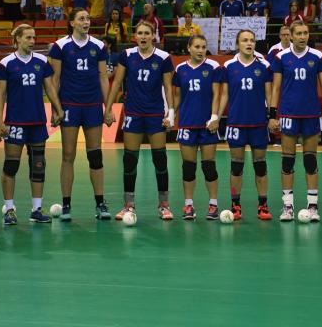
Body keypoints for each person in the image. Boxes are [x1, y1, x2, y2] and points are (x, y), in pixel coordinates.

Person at [104, 21, 175, 220]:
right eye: (140, 33)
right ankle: (129, 205)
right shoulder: (126, 56)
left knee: (160, 159)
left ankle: (164, 205)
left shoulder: (163, 58)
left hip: (155, 114)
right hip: (133, 113)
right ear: (135, 36)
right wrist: (108, 109)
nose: (143, 37)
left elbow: (168, 87)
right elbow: (117, 82)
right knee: (129, 160)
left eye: (147, 33)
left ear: (154, 36)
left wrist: (170, 114)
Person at [0, 24, 64, 226]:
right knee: (11, 165)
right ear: (17, 39)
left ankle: (36, 209)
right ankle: (9, 209)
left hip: (37, 122)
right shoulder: (6, 63)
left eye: (34, 37)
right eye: (28, 38)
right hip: (15, 122)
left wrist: (58, 109)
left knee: (38, 166)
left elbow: (50, 88)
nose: (33, 41)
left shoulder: (42, 62)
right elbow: (0, 94)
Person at [47, 9, 112, 221]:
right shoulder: (60, 46)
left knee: (96, 155)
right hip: (69, 105)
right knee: (68, 155)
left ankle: (100, 203)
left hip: (92, 105)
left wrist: (108, 107)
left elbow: (103, 77)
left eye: (88, 18)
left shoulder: (99, 46)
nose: (86, 22)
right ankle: (66, 204)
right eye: (81, 19)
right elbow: (54, 80)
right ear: (72, 23)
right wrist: (55, 108)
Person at [269, 21, 322, 221]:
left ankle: (313, 206)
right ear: (290, 35)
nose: (302, 36)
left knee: (310, 160)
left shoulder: (317, 56)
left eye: (305, 33)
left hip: (311, 113)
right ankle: (287, 206)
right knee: (288, 161)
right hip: (288, 113)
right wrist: (272, 115)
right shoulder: (281, 57)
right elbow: (276, 88)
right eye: (298, 33)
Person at [219, 29, 274, 220]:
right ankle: (235, 205)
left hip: (258, 123)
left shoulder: (264, 66)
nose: (249, 43)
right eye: (245, 40)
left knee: (260, 166)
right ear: (237, 44)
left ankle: (263, 205)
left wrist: (272, 116)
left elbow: (269, 94)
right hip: (236, 123)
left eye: (252, 40)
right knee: (236, 167)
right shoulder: (229, 66)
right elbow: (224, 94)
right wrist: (216, 117)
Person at [172, 35, 223, 220]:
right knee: (188, 168)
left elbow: (217, 95)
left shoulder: (213, 67)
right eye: (197, 47)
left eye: (203, 46)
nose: (201, 50)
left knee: (209, 167)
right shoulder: (180, 69)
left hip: (207, 125)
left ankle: (213, 205)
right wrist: (170, 115)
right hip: (186, 123)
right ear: (189, 48)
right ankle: (188, 205)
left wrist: (215, 117)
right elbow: (177, 96)